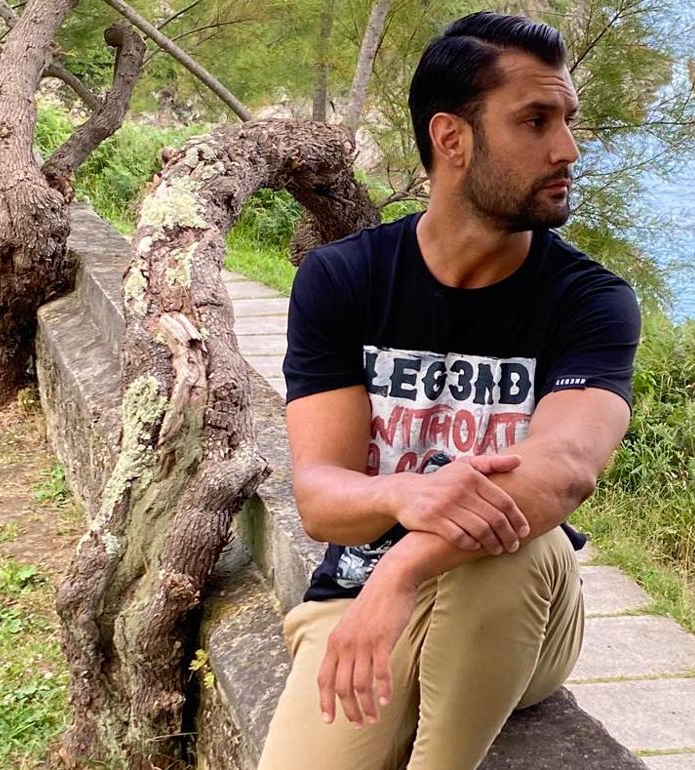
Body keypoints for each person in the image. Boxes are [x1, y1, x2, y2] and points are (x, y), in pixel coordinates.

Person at [257, 11, 642, 770]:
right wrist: (407, 497)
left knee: (515, 538)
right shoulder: (345, 279)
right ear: (451, 138)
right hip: (358, 598)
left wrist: (403, 566)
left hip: (517, 610)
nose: (568, 148)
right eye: (535, 121)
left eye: (568, 119)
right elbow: (322, 497)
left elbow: (563, 469)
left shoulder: (589, 300)